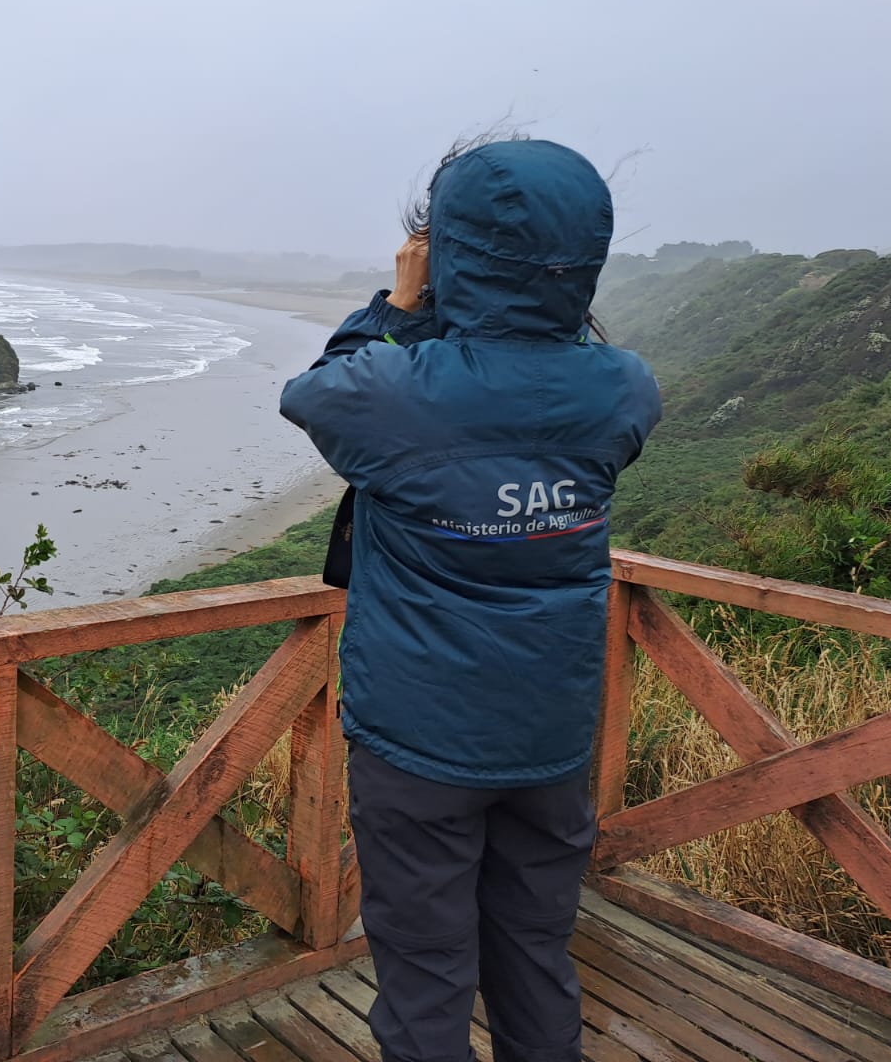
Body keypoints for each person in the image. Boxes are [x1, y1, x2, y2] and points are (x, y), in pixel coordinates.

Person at [280, 137, 661, 1062]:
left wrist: (399, 304)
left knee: (425, 973)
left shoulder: (396, 391)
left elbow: (316, 392)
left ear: (447, 253)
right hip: (549, 735)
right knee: (535, 954)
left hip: (420, 741)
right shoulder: (622, 389)